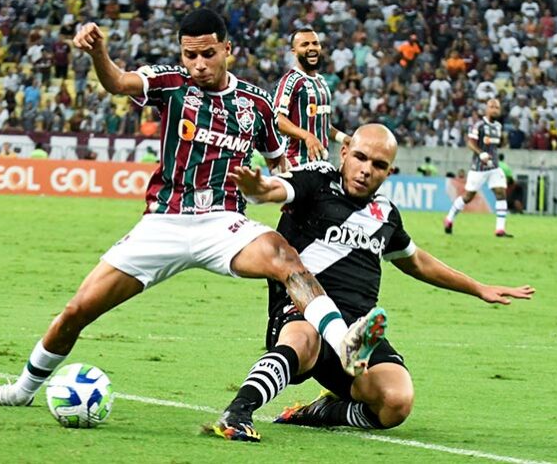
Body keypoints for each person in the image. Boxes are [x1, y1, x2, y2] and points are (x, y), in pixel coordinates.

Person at [0, 9, 378, 409]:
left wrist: (262, 188)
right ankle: (21, 389)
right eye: (190, 55)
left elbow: (276, 168)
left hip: (224, 223)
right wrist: (97, 54)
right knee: (77, 310)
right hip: (164, 222)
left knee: (286, 259)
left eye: (207, 54)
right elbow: (120, 83)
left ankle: (343, 342)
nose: (198, 64)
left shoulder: (257, 105)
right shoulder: (171, 83)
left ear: (227, 50)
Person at [208, 124, 535, 442]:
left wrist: (478, 288)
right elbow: (276, 189)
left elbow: (417, 261)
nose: (366, 170)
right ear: (345, 152)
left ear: (389, 172)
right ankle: (237, 412)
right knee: (303, 339)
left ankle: (321, 413)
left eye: (378, 165)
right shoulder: (317, 181)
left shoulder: (386, 214)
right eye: (361, 158)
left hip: (358, 338)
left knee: (397, 402)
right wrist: (259, 190)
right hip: (302, 311)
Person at [274, 27, 350, 167]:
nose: (312, 48)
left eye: (315, 43)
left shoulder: (322, 81)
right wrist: (307, 136)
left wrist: (345, 139)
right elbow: (277, 120)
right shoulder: (290, 81)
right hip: (296, 165)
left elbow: (323, 125)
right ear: (294, 52)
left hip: (321, 165)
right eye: (305, 44)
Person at [444, 98, 511, 237]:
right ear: (486, 109)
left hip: (494, 167)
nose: (495, 109)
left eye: (497, 107)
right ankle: (449, 218)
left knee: (501, 193)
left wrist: (503, 142)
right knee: (468, 196)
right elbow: (470, 143)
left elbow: (496, 144)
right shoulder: (479, 125)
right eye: (492, 106)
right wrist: (481, 154)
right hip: (479, 167)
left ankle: (500, 229)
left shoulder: (498, 126)